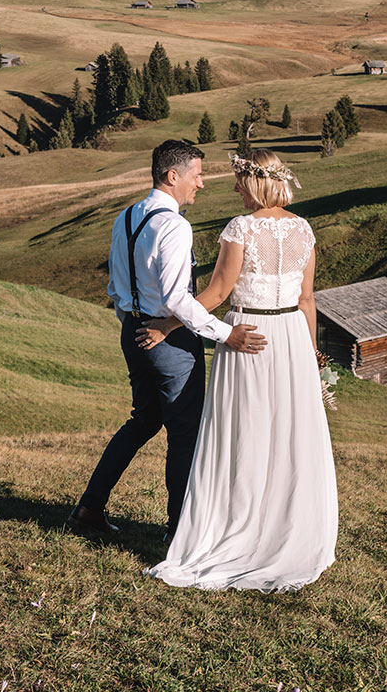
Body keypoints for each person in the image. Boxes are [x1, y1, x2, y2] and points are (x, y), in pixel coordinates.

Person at [141, 148, 338, 591]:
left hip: (248, 338)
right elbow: (308, 300)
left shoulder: (241, 228)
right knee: (287, 435)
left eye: (237, 181)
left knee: (245, 433)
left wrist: (168, 324)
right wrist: (310, 356)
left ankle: (239, 529)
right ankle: (284, 532)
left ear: (253, 182)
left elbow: (215, 293)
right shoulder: (304, 229)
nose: (232, 188)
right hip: (290, 337)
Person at [68, 140, 267, 538]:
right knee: (184, 432)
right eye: (197, 174)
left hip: (133, 333)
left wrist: (135, 322)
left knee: (142, 421)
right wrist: (226, 334)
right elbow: (178, 299)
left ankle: (89, 509)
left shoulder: (125, 217)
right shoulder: (174, 225)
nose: (202, 184)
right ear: (172, 176)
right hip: (168, 343)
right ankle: (179, 530)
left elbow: (115, 285)